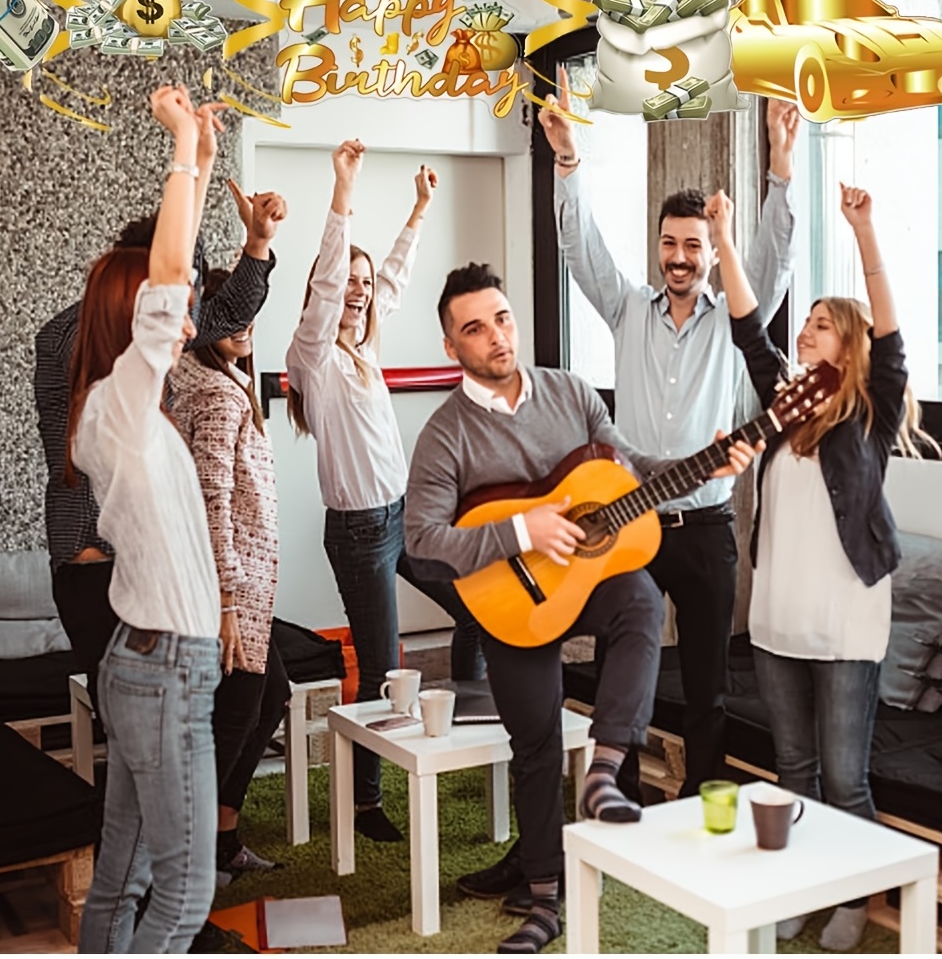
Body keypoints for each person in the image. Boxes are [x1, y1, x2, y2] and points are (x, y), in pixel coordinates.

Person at [404, 262, 761, 954]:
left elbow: (626, 467)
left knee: (636, 595)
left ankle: (605, 767)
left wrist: (702, 462)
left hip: (585, 586)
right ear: (453, 348)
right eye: (474, 328)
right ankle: (543, 901)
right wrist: (521, 531)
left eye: (501, 318)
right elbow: (421, 541)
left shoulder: (570, 393)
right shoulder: (444, 435)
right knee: (535, 747)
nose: (496, 337)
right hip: (511, 604)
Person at [536, 68, 801, 808]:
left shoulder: (734, 322)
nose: (680, 257)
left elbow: (774, 260)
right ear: (657, 248)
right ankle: (616, 795)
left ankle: (701, 804)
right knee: (633, 670)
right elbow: (580, 248)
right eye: (669, 244)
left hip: (710, 525)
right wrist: (568, 162)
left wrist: (782, 170)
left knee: (711, 686)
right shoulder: (626, 310)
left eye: (693, 245)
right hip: (634, 524)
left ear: (711, 255)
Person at [714, 183, 936, 951]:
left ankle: (852, 901)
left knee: (846, 781)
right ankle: (801, 892)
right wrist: (721, 235)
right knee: (794, 773)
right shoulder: (782, 412)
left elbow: (892, 328)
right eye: (804, 324)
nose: (804, 333)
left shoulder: (871, 415)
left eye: (819, 326)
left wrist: (866, 229)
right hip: (777, 622)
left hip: (844, 627)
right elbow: (749, 330)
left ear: (849, 346)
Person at [35, 134, 278, 721]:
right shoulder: (72, 341)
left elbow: (226, 314)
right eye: (176, 288)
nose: (187, 321)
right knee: (133, 729)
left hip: (146, 567)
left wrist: (257, 244)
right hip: (96, 571)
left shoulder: (152, 340)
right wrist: (191, 159)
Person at [285, 139, 484, 844]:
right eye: (349, 280)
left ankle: (467, 724)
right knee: (379, 669)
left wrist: (421, 207)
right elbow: (332, 284)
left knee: (477, 613)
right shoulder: (313, 357)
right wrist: (344, 189)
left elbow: (394, 278)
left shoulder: (364, 351)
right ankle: (366, 799)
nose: (361, 288)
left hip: (407, 519)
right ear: (326, 288)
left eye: (363, 282)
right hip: (361, 532)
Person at [73, 86, 226, 952]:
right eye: (170, 304)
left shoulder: (122, 408)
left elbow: (177, 276)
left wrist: (202, 161)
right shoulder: (124, 403)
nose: (190, 305)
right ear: (130, 319)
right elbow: (168, 280)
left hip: (147, 661)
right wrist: (176, 148)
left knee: (124, 876)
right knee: (182, 891)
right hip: (164, 667)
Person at [170, 254, 290, 885]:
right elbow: (211, 498)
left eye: (249, 314)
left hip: (242, 583)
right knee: (237, 713)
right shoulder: (217, 393)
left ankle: (221, 836)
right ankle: (190, 861)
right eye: (230, 314)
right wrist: (224, 600)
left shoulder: (224, 382)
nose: (243, 325)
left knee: (273, 692)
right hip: (231, 587)